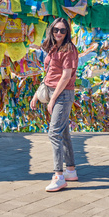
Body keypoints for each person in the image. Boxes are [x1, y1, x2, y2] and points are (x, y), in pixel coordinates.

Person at [30, 17, 79, 192]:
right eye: (56, 30)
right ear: (51, 30)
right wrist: (37, 94)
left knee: (54, 133)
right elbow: (49, 73)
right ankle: (70, 171)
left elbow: (66, 76)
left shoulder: (69, 49)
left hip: (63, 94)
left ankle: (58, 176)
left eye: (62, 30)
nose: (58, 33)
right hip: (51, 90)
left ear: (67, 33)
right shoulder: (52, 48)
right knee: (63, 132)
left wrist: (53, 99)